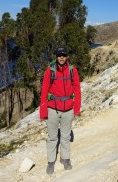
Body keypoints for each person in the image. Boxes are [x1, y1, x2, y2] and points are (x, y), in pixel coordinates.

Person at [39, 46, 81, 174]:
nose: (61, 57)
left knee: (65, 136)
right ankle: (51, 162)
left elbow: (77, 89)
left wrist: (76, 109)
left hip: (68, 109)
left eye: (63, 55)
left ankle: (65, 159)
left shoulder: (72, 70)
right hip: (53, 109)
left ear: (67, 56)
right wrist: (43, 111)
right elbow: (44, 91)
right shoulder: (50, 71)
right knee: (52, 137)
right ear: (56, 57)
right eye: (59, 55)